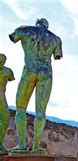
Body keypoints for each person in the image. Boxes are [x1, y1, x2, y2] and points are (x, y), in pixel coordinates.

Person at [9, 18, 62, 154]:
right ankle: (36, 145)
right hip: (46, 73)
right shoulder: (56, 39)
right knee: (40, 112)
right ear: (47, 26)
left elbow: (13, 37)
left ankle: (21, 144)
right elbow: (57, 56)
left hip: (29, 71)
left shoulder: (25, 30)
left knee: (20, 108)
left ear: (37, 23)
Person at [0, 54, 14, 153]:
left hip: (1, 96)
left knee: (5, 118)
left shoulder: (7, 71)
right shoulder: (7, 71)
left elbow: (11, 78)